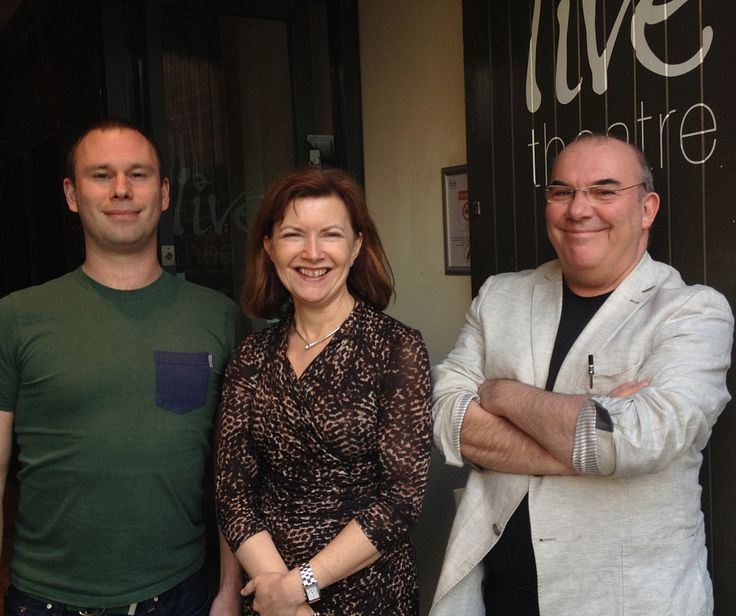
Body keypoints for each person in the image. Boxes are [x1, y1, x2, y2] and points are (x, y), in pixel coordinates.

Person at [429, 134, 734, 616]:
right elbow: (448, 420)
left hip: (627, 600)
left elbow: (637, 439)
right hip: (497, 594)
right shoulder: (499, 297)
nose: (579, 209)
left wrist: (500, 393)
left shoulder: (693, 312)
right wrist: (589, 440)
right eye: (562, 191)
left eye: (605, 191)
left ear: (647, 208)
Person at [0, 118, 244, 615]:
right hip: (48, 600)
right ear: (71, 194)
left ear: (164, 193)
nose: (121, 190)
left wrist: (228, 590)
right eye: (100, 175)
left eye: (138, 175)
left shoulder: (218, 316)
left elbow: (234, 471)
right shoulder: (16, 317)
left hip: (184, 593)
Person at [216, 166, 432, 616]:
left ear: (356, 247)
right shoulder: (251, 357)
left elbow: (400, 500)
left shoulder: (396, 347)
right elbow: (233, 490)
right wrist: (281, 600)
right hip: (269, 594)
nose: (312, 253)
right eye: (294, 235)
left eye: (330, 235)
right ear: (269, 247)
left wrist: (298, 588)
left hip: (371, 597)